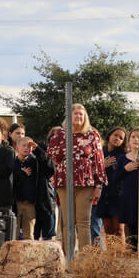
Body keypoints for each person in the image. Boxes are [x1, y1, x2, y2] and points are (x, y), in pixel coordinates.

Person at [47, 104, 107, 257]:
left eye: (81, 114)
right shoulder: (61, 134)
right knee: (68, 223)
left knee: (83, 222)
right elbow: (51, 152)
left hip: (86, 183)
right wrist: (69, 148)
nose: (78, 117)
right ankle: (69, 260)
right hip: (64, 182)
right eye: (75, 114)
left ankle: (85, 261)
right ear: (69, 116)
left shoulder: (92, 135)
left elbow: (99, 161)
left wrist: (99, 185)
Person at [94, 126, 127, 240]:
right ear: (109, 136)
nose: (117, 138)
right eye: (115, 135)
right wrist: (103, 165)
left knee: (119, 230)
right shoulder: (99, 152)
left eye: (121, 138)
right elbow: (91, 170)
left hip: (118, 195)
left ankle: (120, 256)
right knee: (107, 231)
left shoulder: (123, 156)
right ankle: (110, 256)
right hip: (103, 195)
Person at [13, 137, 38, 239]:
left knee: (29, 234)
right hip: (16, 203)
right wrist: (21, 174)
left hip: (30, 203)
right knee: (14, 233)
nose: (26, 148)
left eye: (29, 146)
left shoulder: (34, 162)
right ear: (17, 148)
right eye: (24, 145)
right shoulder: (13, 162)